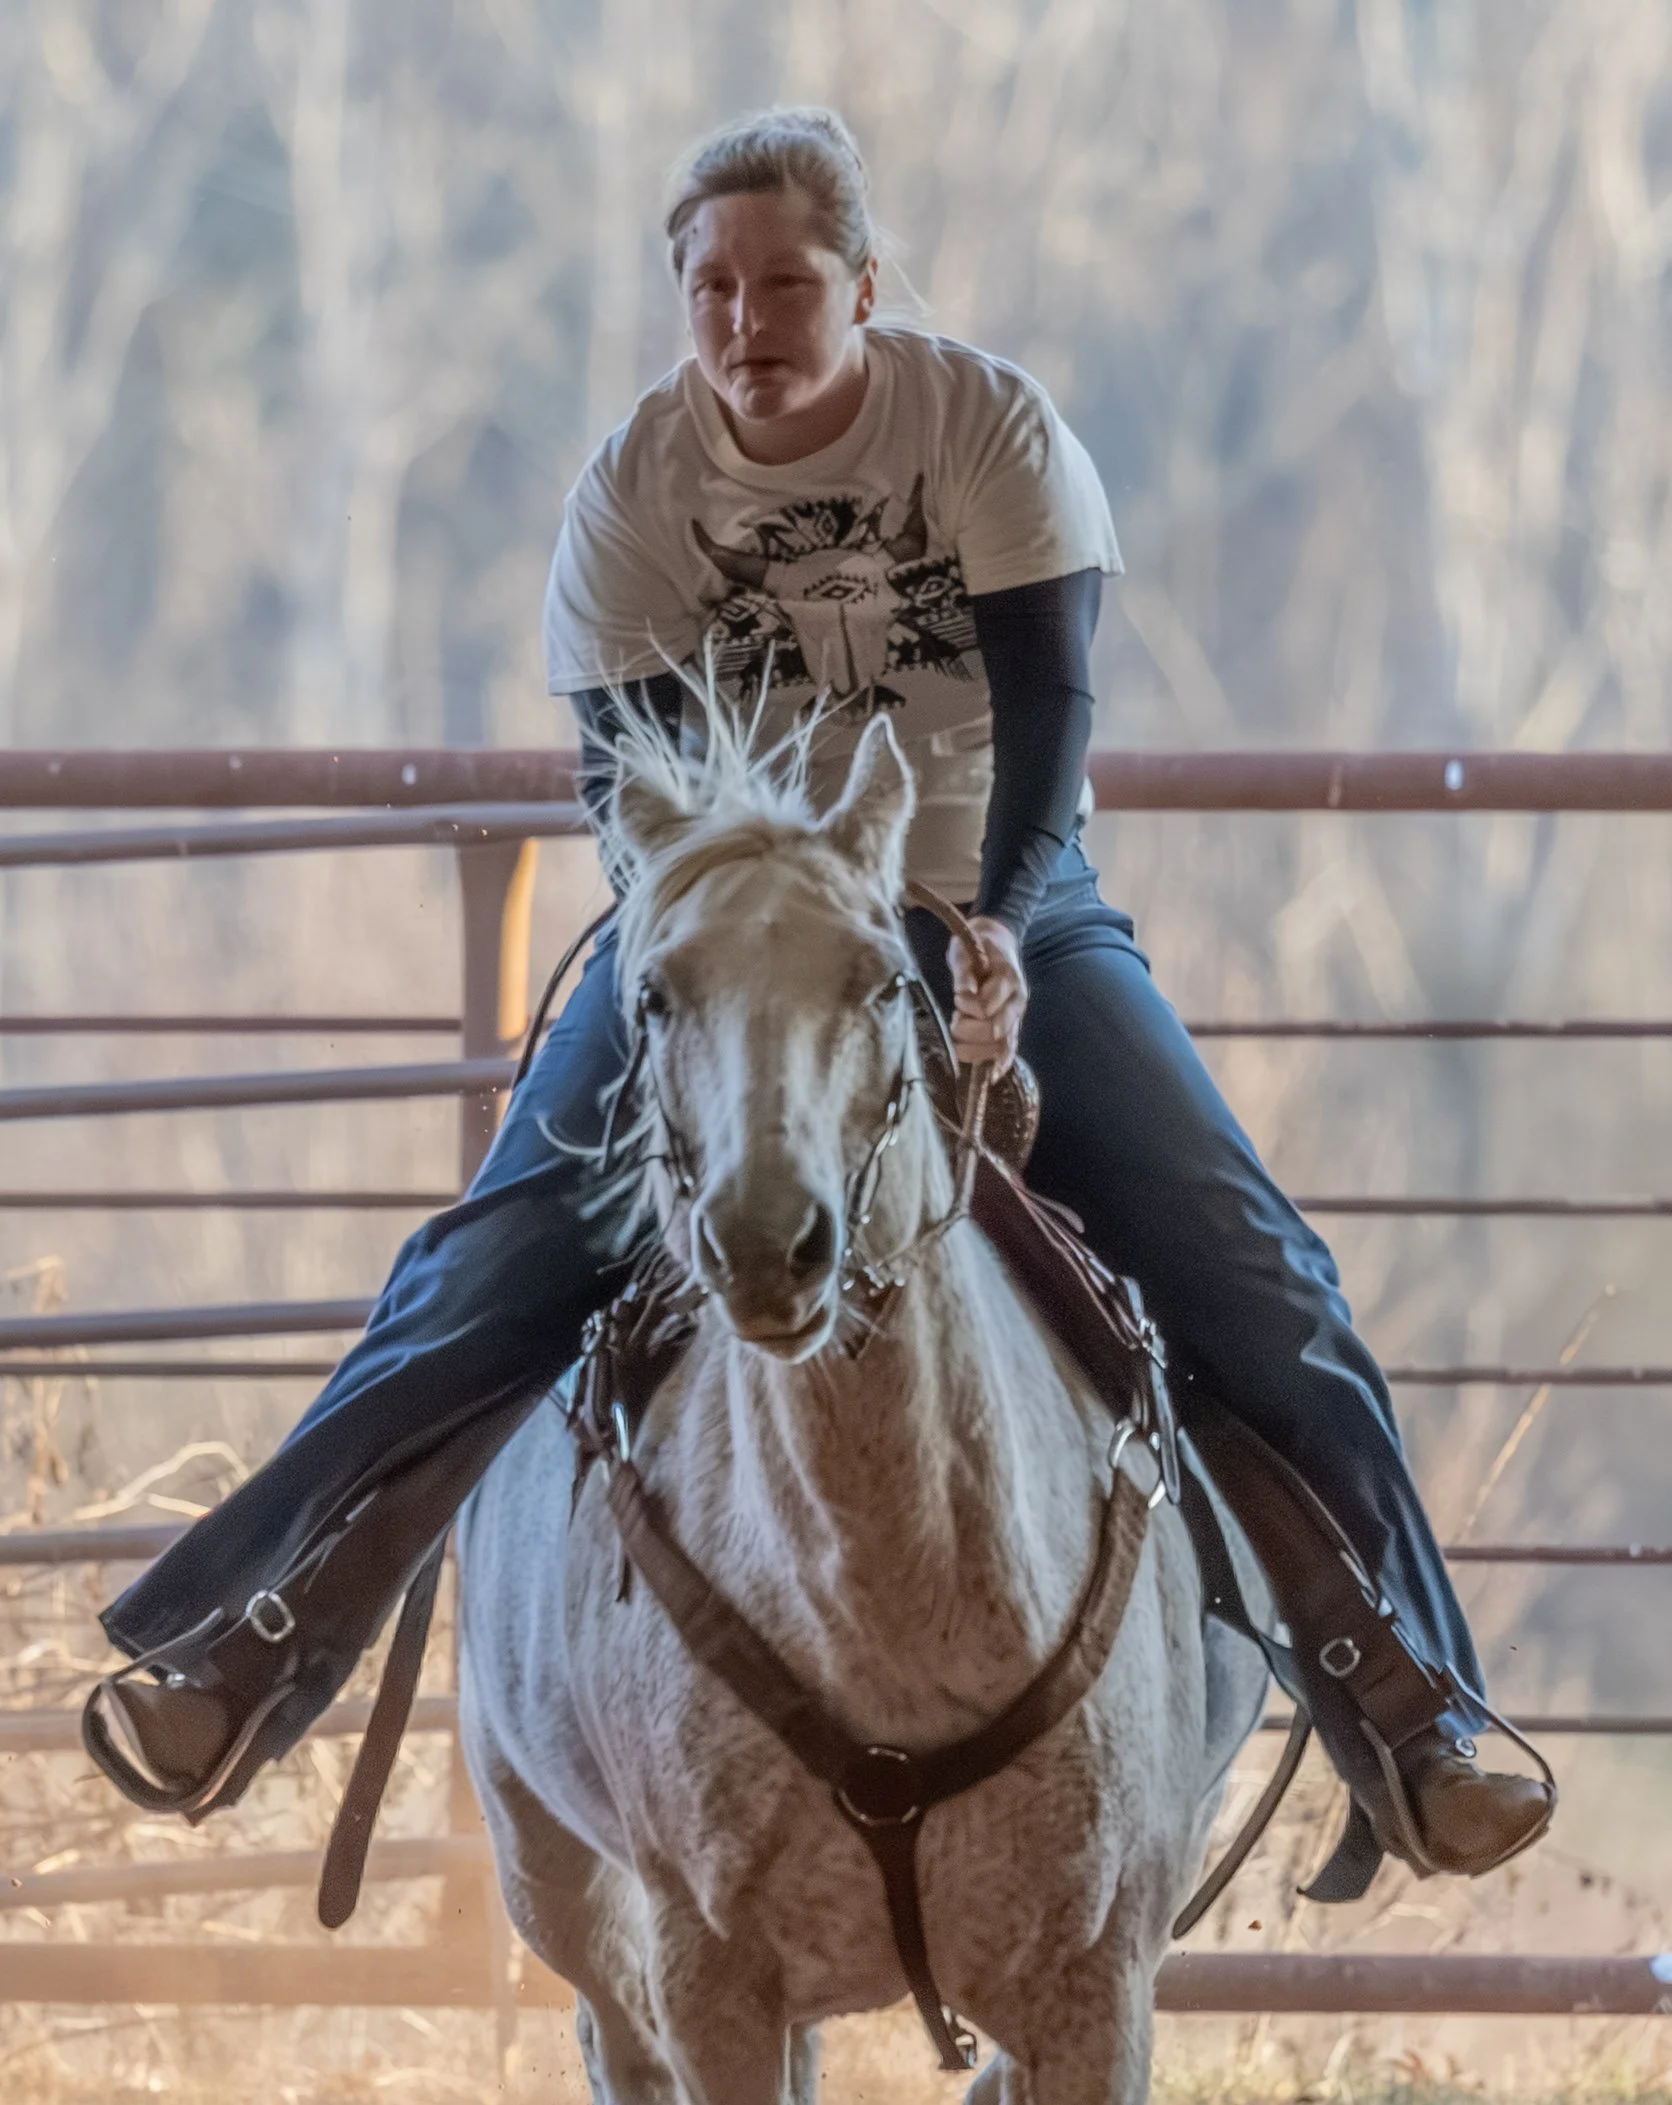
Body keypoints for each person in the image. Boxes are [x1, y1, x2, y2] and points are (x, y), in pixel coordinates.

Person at [85, 106, 1552, 1886]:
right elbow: (628, 796)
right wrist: (711, 958)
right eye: (712, 284)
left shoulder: (987, 428)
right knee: (493, 1261)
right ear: (682, 297)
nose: (746, 319)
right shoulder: (635, 486)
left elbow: (1051, 716)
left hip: (983, 895)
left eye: (787, 281)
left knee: (1247, 1264)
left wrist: (995, 936)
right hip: (727, 923)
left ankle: (1415, 1709)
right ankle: (243, 1653)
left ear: (862, 285)